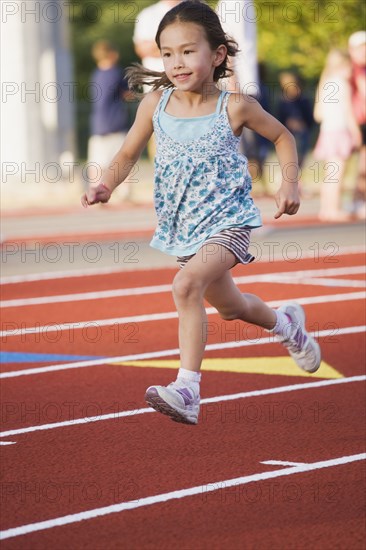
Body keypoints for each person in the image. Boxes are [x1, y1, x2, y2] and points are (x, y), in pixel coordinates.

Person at [81, 0, 321, 425]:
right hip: (183, 229)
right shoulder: (154, 104)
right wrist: (105, 184)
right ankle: (287, 325)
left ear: (218, 55)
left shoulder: (234, 106)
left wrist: (289, 182)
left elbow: (283, 136)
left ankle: (187, 389)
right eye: (167, 53)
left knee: (185, 286)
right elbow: (127, 153)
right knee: (231, 308)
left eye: (188, 51)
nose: (177, 62)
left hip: (229, 223)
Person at [313, 49, 362, 221]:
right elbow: (348, 112)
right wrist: (356, 133)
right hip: (340, 130)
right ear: (343, 65)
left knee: (330, 173)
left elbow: (317, 114)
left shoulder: (325, 82)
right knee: (338, 173)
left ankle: (326, 209)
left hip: (327, 130)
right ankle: (334, 209)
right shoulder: (342, 83)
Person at [86, 40, 130, 196]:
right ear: (112, 54)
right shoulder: (117, 73)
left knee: (97, 163)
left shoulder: (95, 74)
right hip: (116, 122)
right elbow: (127, 95)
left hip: (98, 124)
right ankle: (125, 193)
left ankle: (94, 191)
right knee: (124, 158)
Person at [278, 72, 314, 169]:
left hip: (302, 133)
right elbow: (279, 119)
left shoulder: (303, 100)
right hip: (288, 133)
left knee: (301, 156)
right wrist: (288, 123)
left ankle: (297, 176)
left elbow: (310, 118)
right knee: (289, 157)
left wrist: (303, 125)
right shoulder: (283, 101)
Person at [348, 31, 366, 219]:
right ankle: (358, 201)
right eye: (362, 48)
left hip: (361, 121)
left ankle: (357, 200)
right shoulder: (352, 69)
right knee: (362, 165)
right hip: (357, 121)